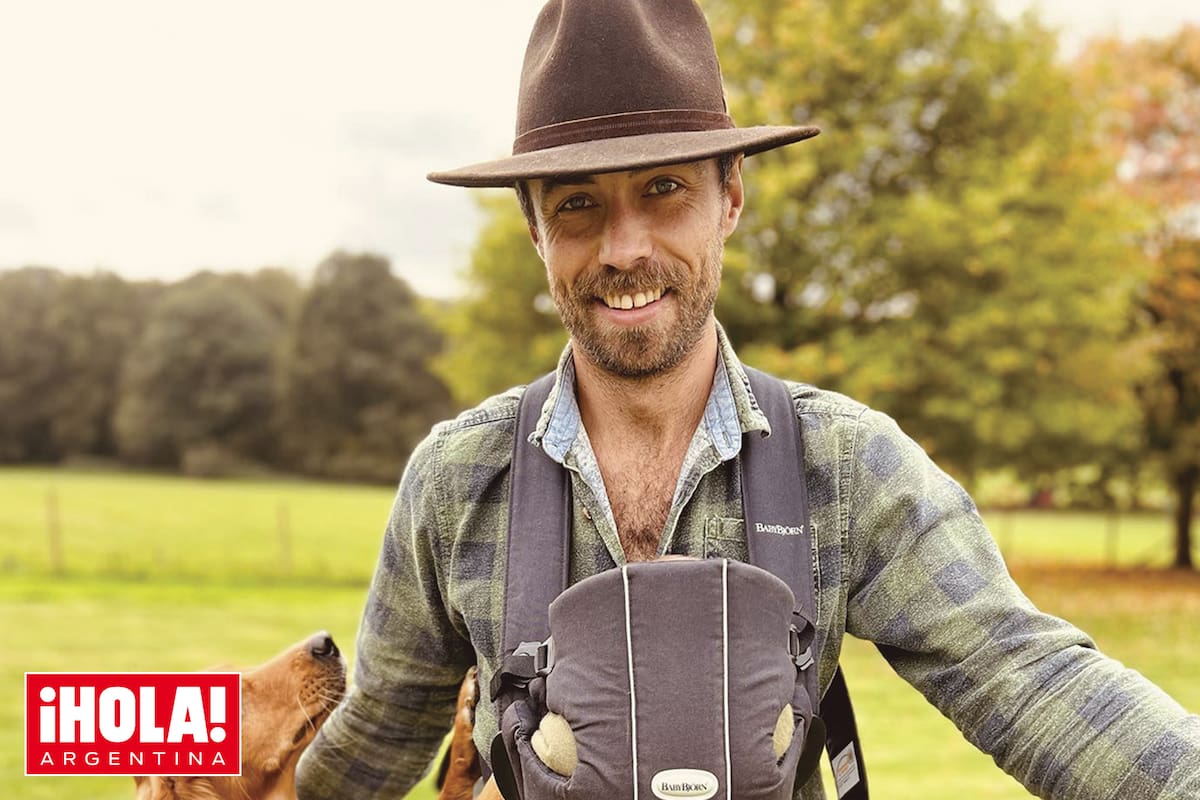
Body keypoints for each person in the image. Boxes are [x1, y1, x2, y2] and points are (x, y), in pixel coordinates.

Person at [296, 0, 1200, 798]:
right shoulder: (459, 478)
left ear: (729, 197)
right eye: (576, 203)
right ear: (534, 228)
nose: (624, 247)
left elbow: (1030, 680)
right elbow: (372, 736)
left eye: (664, 189)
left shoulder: (844, 467)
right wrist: (228, 756)